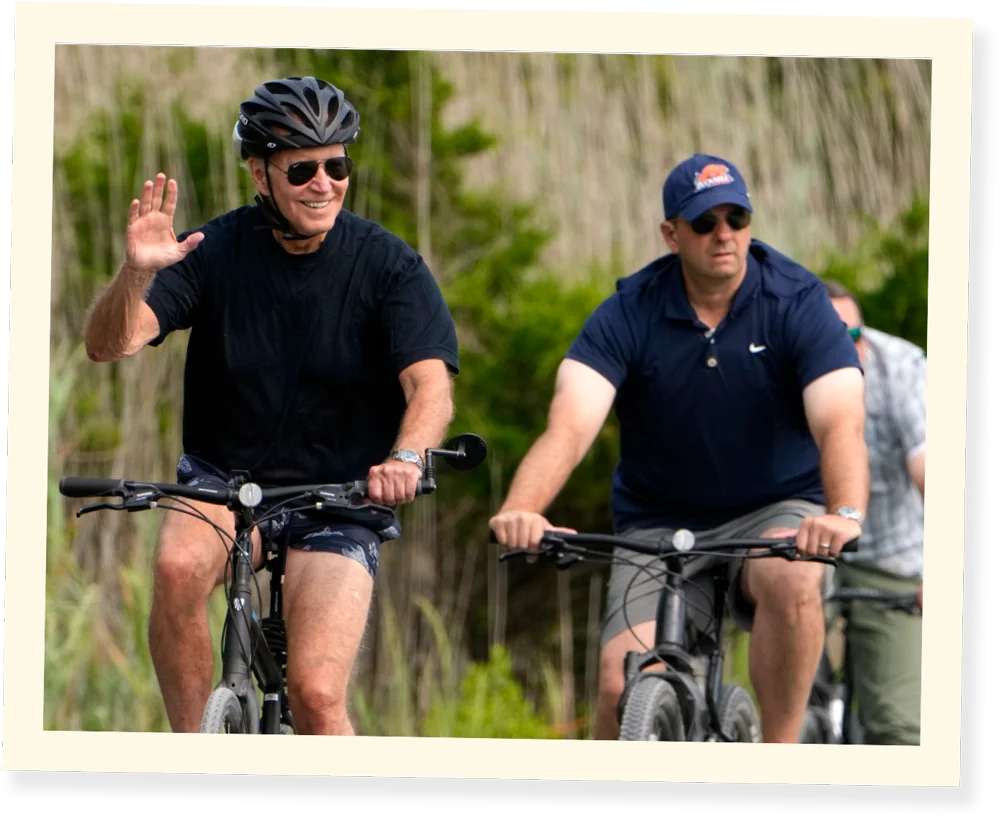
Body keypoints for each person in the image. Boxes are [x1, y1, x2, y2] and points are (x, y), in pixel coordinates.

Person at [82, 76, 460, 735]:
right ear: (260, 174)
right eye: (303, 168)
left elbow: (430, 386)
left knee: (315, 695)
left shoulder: (389, 267)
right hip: (224, 482)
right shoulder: (214, 251)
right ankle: (196, 762)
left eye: (337, 165)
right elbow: (109, 345)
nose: (324, 183)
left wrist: (405, 455)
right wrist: (136, 274)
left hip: (339, 497)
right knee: (175, 569)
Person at [489, 153, 869, 743]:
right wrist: (523, 507)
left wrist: (843, 513)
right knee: (620, 691)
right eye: (704, 222)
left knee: (795, 582)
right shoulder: (628, 312)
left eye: (736, 218)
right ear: (671, 234)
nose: (724, 235)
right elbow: (570, 424)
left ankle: (782, 765)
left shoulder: (797, 301)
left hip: (775, 509)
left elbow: (840, 422)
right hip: (657, 520)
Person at [823, 279, 924, 745]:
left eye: (854, 337)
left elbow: (932, 471)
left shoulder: (901, 366)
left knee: (898, 728)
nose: (848, 351)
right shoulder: (779, 368)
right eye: (829, 340)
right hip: (809, 554)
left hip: (893, 560)